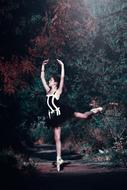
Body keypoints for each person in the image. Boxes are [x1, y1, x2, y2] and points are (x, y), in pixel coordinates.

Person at [41, 59, 102, 172]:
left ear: (55, 82)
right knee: (57, 138)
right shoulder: (47, 91)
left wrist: (63, 66)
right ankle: (59, 158)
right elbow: (42, 78)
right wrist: (43, 67)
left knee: (84, 116)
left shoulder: (57, 91)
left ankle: (94, 110)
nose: (49, 81)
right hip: (53, 117)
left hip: (62, 112)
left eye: (51, 80)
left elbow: (62, 78)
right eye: (49, 80)